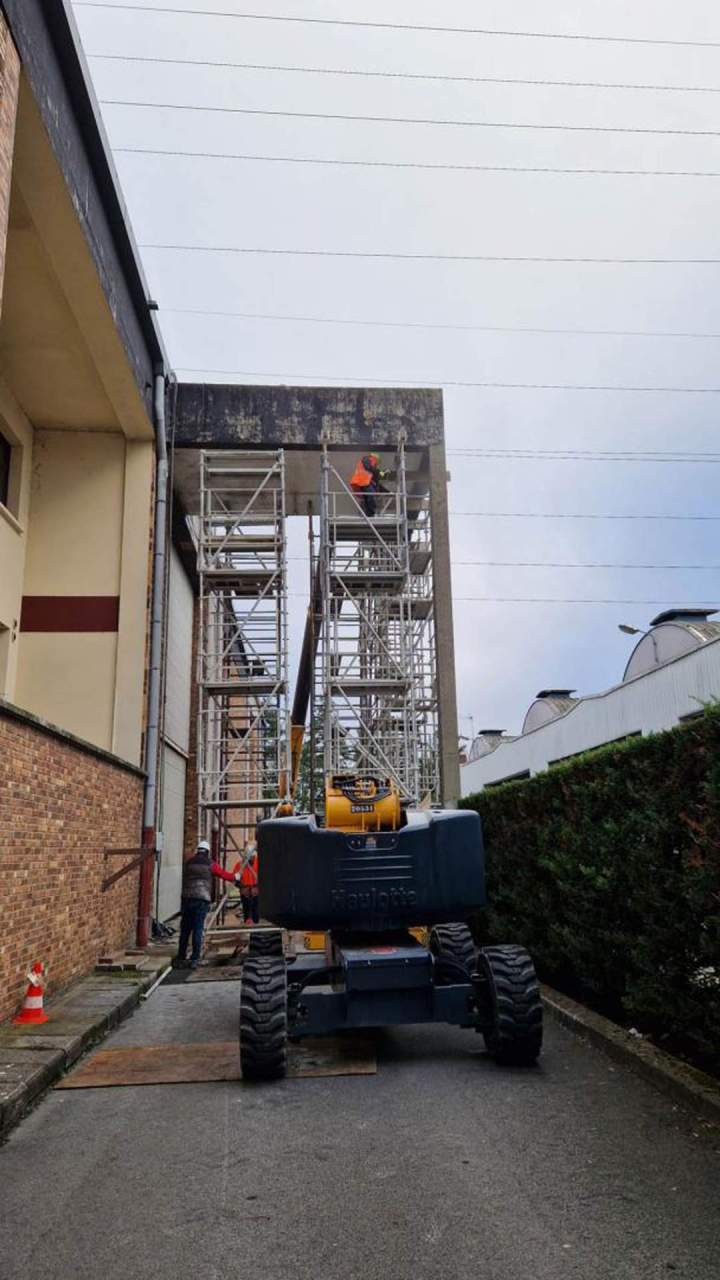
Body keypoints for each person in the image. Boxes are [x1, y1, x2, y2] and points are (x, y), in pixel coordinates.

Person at [175, 839, 241, 969]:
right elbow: (224, 875)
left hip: (187, 899)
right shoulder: (210, 864)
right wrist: (236, 877)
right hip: (202, 899)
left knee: (185, 930)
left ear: (198, 850)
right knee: (198, 929)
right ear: (208, 851)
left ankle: (181, 957)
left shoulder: (188, 863)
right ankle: (194, 959)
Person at [350, 453, 389, 517]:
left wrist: (389, 492)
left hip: (363, 483)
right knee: (370, 497)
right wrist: (380, 472)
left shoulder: (371, 476)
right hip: (362, 481)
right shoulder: (368, 459)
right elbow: (369, 467)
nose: (376, 465)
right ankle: (369, 514)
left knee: (369, 498)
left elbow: (379, 485)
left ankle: (368, 514)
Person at [238, 844, 259, 926]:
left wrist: (257, 887)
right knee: (246, 913)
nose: (250, 860)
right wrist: (242, 887)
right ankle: (248, 928)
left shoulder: (260, 863)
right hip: (245, 893)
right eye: (249, 858)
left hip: (256, 893)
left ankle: (256, 930)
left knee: (256, 913)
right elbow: (234, 878)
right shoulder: (240, 865)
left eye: (252, 858)